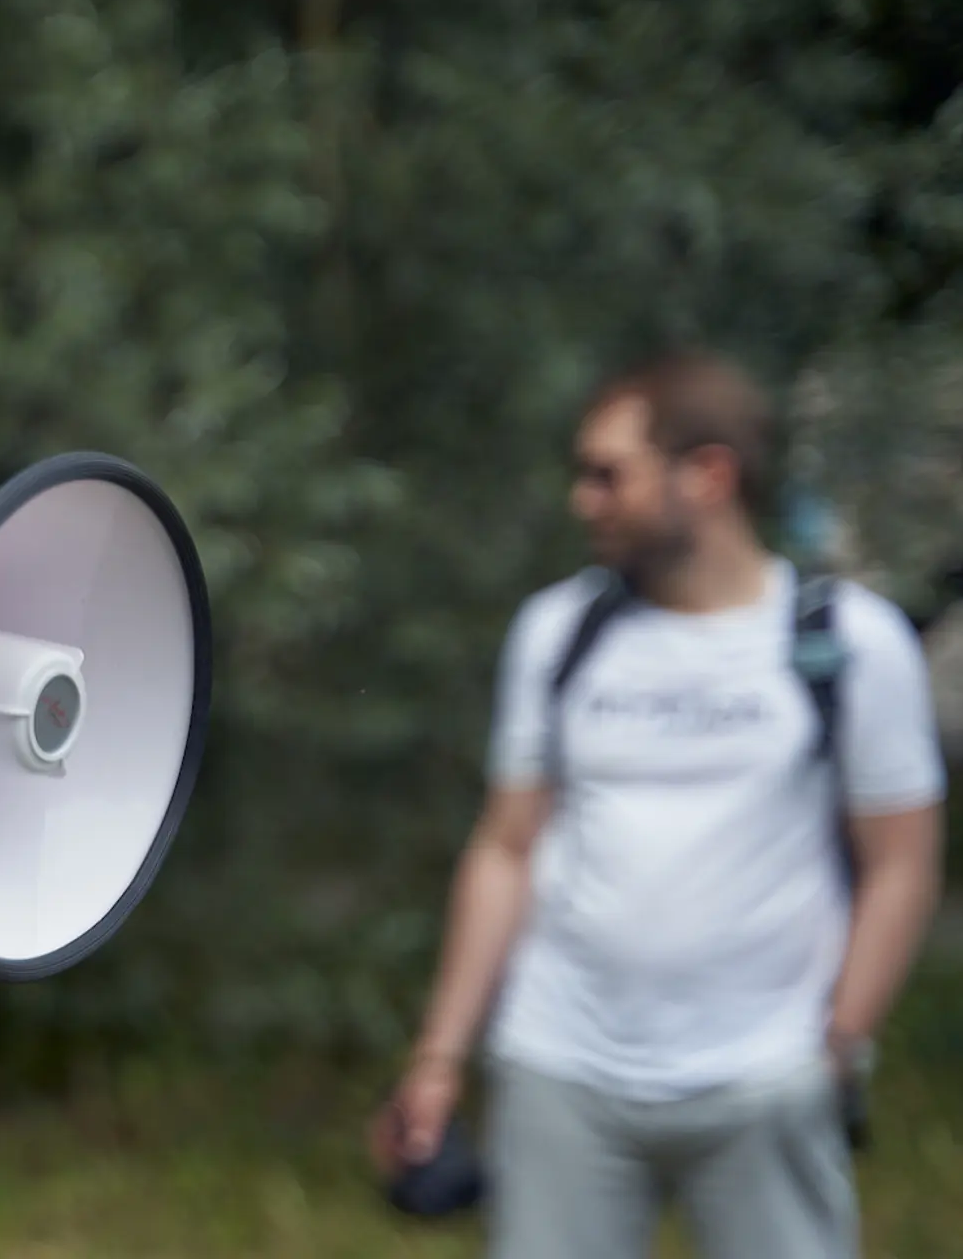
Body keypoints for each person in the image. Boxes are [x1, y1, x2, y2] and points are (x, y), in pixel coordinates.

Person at [377, 350, 947, 1258]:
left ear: (708, 475)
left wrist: (839, 1044)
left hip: (766, 1074)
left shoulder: (851, 645)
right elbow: (507, 848)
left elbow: (903, 862)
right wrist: (441, 1056)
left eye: (610, 475)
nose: (584, 500)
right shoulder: (560, 634)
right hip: (562, 1067)